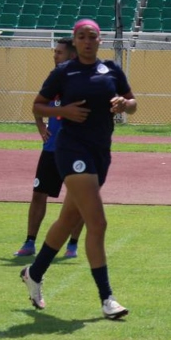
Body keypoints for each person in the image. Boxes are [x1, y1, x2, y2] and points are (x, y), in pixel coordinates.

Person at [20, 19, 136, 319]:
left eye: (92, 37)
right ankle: (107, 298)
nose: (86, 41)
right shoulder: (64, 72)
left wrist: (124, 104)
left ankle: (34, 272)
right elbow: (37, 106)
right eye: (81, 37)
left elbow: (133, 102)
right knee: (97, 223)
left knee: (68, 218)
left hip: (100, 152)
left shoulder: (111, 69)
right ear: (75, 40)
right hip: (71, 151)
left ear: (100, 40)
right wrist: (63, 111)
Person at [13, 37, 84, 259]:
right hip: (52, 150)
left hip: (77, 151)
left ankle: (72, 244)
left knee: (79, 198)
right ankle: (30, 242)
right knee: (38, 194)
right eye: (54, 52)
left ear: (72, 56)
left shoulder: (83, 82)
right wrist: (40, 126)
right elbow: (37, 105)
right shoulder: (53, 80)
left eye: (59, 52)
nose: (55, 55)